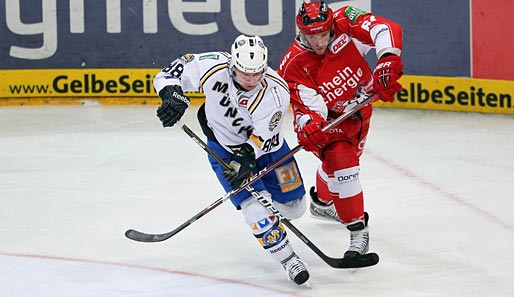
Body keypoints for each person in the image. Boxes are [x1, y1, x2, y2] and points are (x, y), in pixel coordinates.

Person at [153, 35, 310, 285]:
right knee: (255, 209)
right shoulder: (213, 65)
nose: (250, 79)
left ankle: (268, 217)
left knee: (296, 208)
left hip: (269, 149)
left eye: (256, 73)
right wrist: (172, 94)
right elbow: (167, 75)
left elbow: (263, 139)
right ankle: (288, 258)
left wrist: (246, 159)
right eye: (243, 72)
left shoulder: (276, 92)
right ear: (232, 65)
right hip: (224, 148)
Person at [277, 1, 403, 259]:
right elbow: (309, 110)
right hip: (332, 122)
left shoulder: (345, 20)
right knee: (342, 161)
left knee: (343, 165)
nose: (318, 42)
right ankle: (358, 229)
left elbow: (384, 28)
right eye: (312, 36)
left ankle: (322, 204)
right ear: (302, 33)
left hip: (360, 112)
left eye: (323, 34)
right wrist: (309, 125)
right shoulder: (293, 64)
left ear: (331, 26)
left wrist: (387, 60)